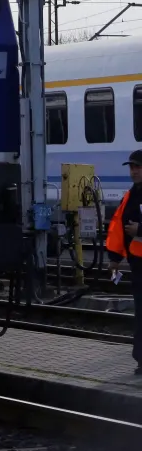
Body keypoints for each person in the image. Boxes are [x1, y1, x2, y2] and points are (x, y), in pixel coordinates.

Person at [107, 151, 142, 374]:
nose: (133, 171)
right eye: (131, 168)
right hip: (138, 264)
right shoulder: (131, 195)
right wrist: (114, 258)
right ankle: (141, 360)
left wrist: (141, 230)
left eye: (137, 167)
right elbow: (118, 226)